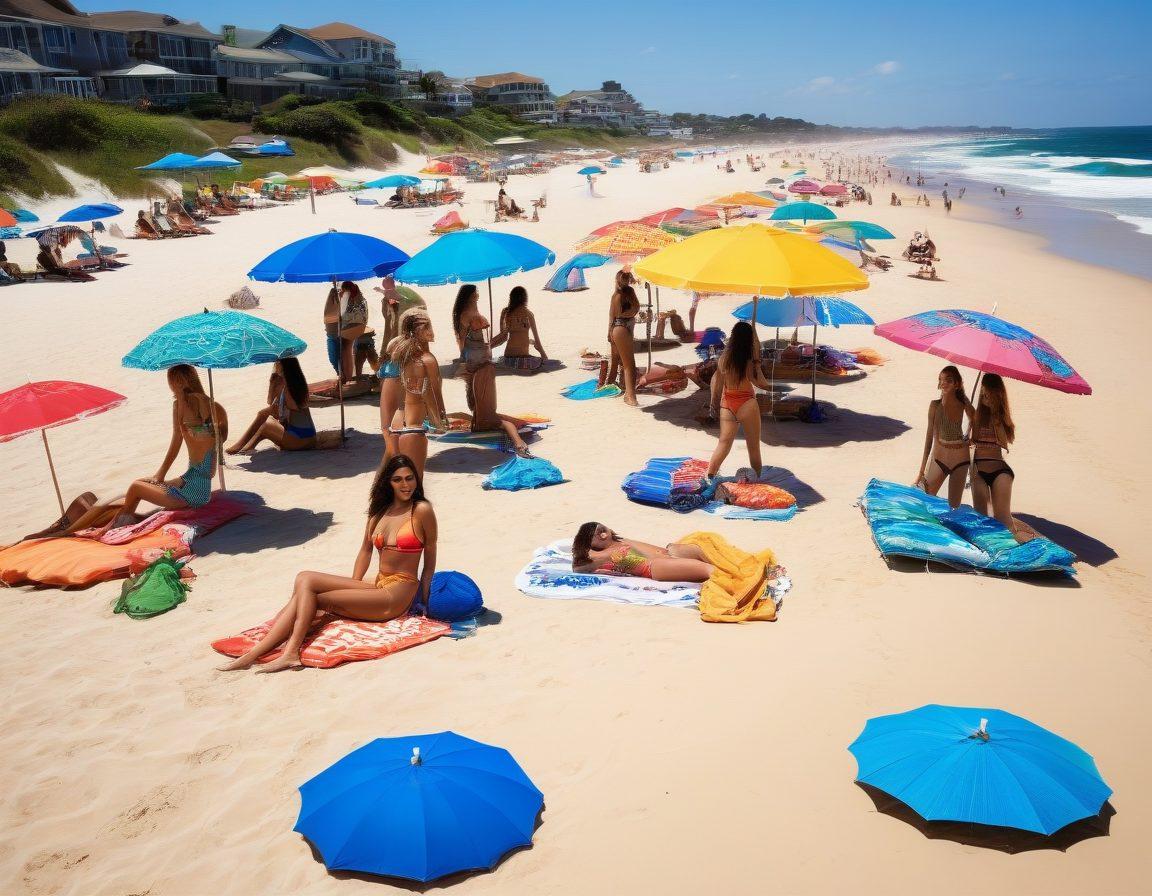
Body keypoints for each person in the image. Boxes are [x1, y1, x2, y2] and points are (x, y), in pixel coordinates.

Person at [218, 454, 438, 673]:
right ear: (387, 482)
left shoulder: (421, 511)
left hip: (398, 593)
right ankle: (257, 653)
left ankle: (288, 653)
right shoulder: (379, 512)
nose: (405, 484)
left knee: (314, 598)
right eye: (397, 479)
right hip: (379, 585)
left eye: (410, 478)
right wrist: (353, 588)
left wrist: (424, 602)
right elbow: (365, 551)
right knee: (305, 577)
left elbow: (429, 562)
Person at [75, 365, 228, 532]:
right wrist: (160, 474)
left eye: (172, 381)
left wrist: (202, 422)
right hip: (187, 480)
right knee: (138, 485)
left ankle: (113, 529)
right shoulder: (180, 405)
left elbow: (204, 433)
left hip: (196, 490)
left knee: (135, 487)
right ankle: (117, 522)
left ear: (179, 381)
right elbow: (177, 439)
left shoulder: (205, 407)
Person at [452, 284, 534, 456]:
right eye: (476, 293)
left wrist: (479, 347)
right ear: (471, 295)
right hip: (480, 363)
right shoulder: (470, 315)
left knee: (478, 406)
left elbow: (463, 342)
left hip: (476, 361)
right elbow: (469, 336)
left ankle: (518, 441)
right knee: (487, 412)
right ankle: (519, 443)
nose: (478, 295)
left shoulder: (466, 313)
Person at [705, 321, 773, 483]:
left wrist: (713, 405)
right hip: (747, 404)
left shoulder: (723, 359)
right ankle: (758, 480)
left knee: (723, 444)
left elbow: (717, 384)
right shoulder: (747, 360)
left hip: (727, 405)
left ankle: (710, 476)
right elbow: (762, 384)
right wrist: (757, 364)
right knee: (753, 447)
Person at [390, 308, 448, 476]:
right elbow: (433, 395)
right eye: (428, 326)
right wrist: (440, 421)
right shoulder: (427, 359)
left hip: (398, 422)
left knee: (398, 479)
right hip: (414, 427)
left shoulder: (404, 356)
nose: (431, 330)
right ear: (420, 331)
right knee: (415, 481)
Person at [226, 358, 316, 454]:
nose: (275, 365)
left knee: (265, 423)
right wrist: (272, 383)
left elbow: (277, 411)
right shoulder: (295, 384)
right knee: (264, 417)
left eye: (277, 363)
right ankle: (243, 447)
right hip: (308, 439)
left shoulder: (289, 388)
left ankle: (241, 448)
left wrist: (275, 384)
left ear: (284, 367)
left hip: (300, 441)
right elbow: (270, 403)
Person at [913, 366, 975, 508]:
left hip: (960, 460)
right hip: (940, 459)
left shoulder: (963, 403)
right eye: (941, 379)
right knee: (926, 500)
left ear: (957, 384)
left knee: (954, 507)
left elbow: (975, 419)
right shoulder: (935, 406)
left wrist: (968, 435)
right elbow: (929, 438)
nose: (943, 383)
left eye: (949, 380)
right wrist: (921, 472)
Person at [970, 373, 1022, 539]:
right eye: (983, 394)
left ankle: (1014, 546)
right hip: (979, 469)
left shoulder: (1002, 419)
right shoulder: (975, 416)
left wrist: (996, 413)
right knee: (981, 515)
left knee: (1003, 517)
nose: (985, 397)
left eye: (989, 394)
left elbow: (1005, 441)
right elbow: (969, 441)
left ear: (997, 395)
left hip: (1000, 470)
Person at [571, 522, 713, 582]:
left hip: (670, 552)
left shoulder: (621, 541)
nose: (602, 534)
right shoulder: (600, 555)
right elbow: (577, 567)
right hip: (654, 566)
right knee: (710, 570)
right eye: (596, 535)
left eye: (603, 530)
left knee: (706, 548)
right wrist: (583, 547)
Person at [324, 281, 369, 385]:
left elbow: (342, 310)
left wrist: (341, 295)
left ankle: (345, 378)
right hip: (355, 326)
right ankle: (346, 378)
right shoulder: (356, 293)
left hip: (346, 327)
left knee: (343, 352)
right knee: (346, 351)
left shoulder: (346, 293)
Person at [493, 286, 548, 369]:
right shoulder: (529, 315)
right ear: (525, 299)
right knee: (544, 364)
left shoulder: (505, 312)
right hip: (523, 359)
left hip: (508, 358)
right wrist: (543, 354)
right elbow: (538, 343)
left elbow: (503, 338)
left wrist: (488, 346)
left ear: (511, 298)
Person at [608, 282, 641, 407]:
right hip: (622, 326)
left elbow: (611, 315)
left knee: (624, 363)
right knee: (629, 365)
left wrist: (609, 332)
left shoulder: (616, 295)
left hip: (618, 326)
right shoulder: (628, 293)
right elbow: (636, 309)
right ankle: (630, 396)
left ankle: (628, 393)